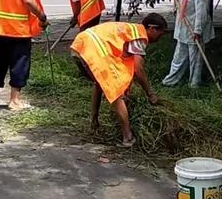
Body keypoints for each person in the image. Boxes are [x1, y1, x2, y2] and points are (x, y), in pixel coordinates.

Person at [70, 13, 167, 147]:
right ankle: (127, 137)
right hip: (91, 48)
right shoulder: (140, 36)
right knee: (116, 91)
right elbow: (138, 69)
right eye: (160, 34)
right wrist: (150, 94)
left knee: (100, 84)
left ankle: (94, 123)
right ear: (151, 28)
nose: (160, 38)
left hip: (82, 44)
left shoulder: (132, 30)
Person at [163, 0, 214, 87]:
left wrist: (198, 30)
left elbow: (201, 10)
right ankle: (170, 81)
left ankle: (194, 85)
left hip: (194, 28)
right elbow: (183, 2)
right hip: (184, 27)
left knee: (195, 59)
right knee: (178, 57)